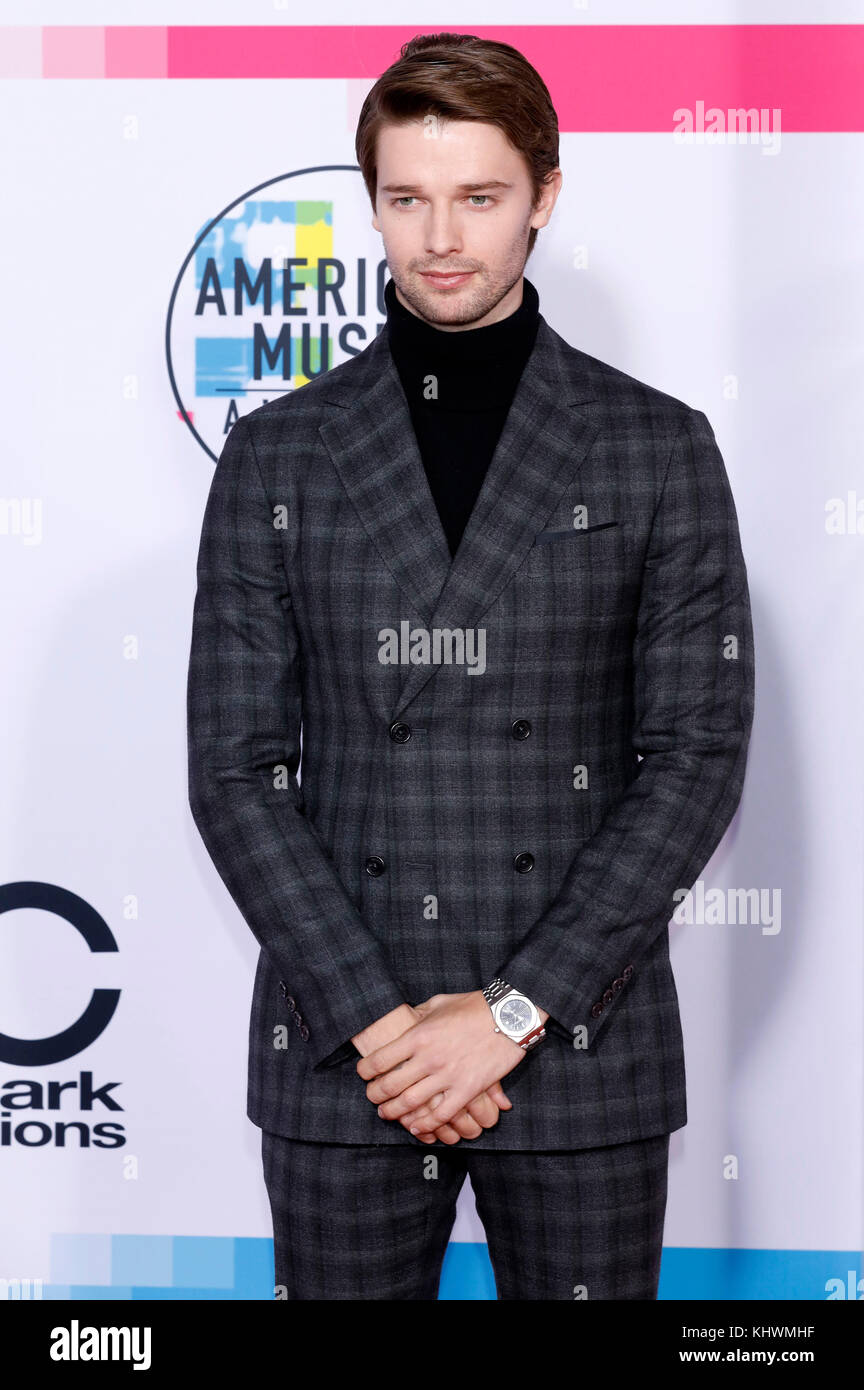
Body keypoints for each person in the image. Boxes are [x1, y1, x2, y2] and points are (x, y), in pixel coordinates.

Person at [186, 31, 755, 1300]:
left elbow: (696, 758)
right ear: (375, 202)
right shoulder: (278, 457)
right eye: (406, 199)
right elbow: (233, 769)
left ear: (544, 194)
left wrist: (504, 1017)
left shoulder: (657, 447)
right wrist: (392, 1031)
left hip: (581, 1045)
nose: (441, 236)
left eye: (480, 197)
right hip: (348, 1054)